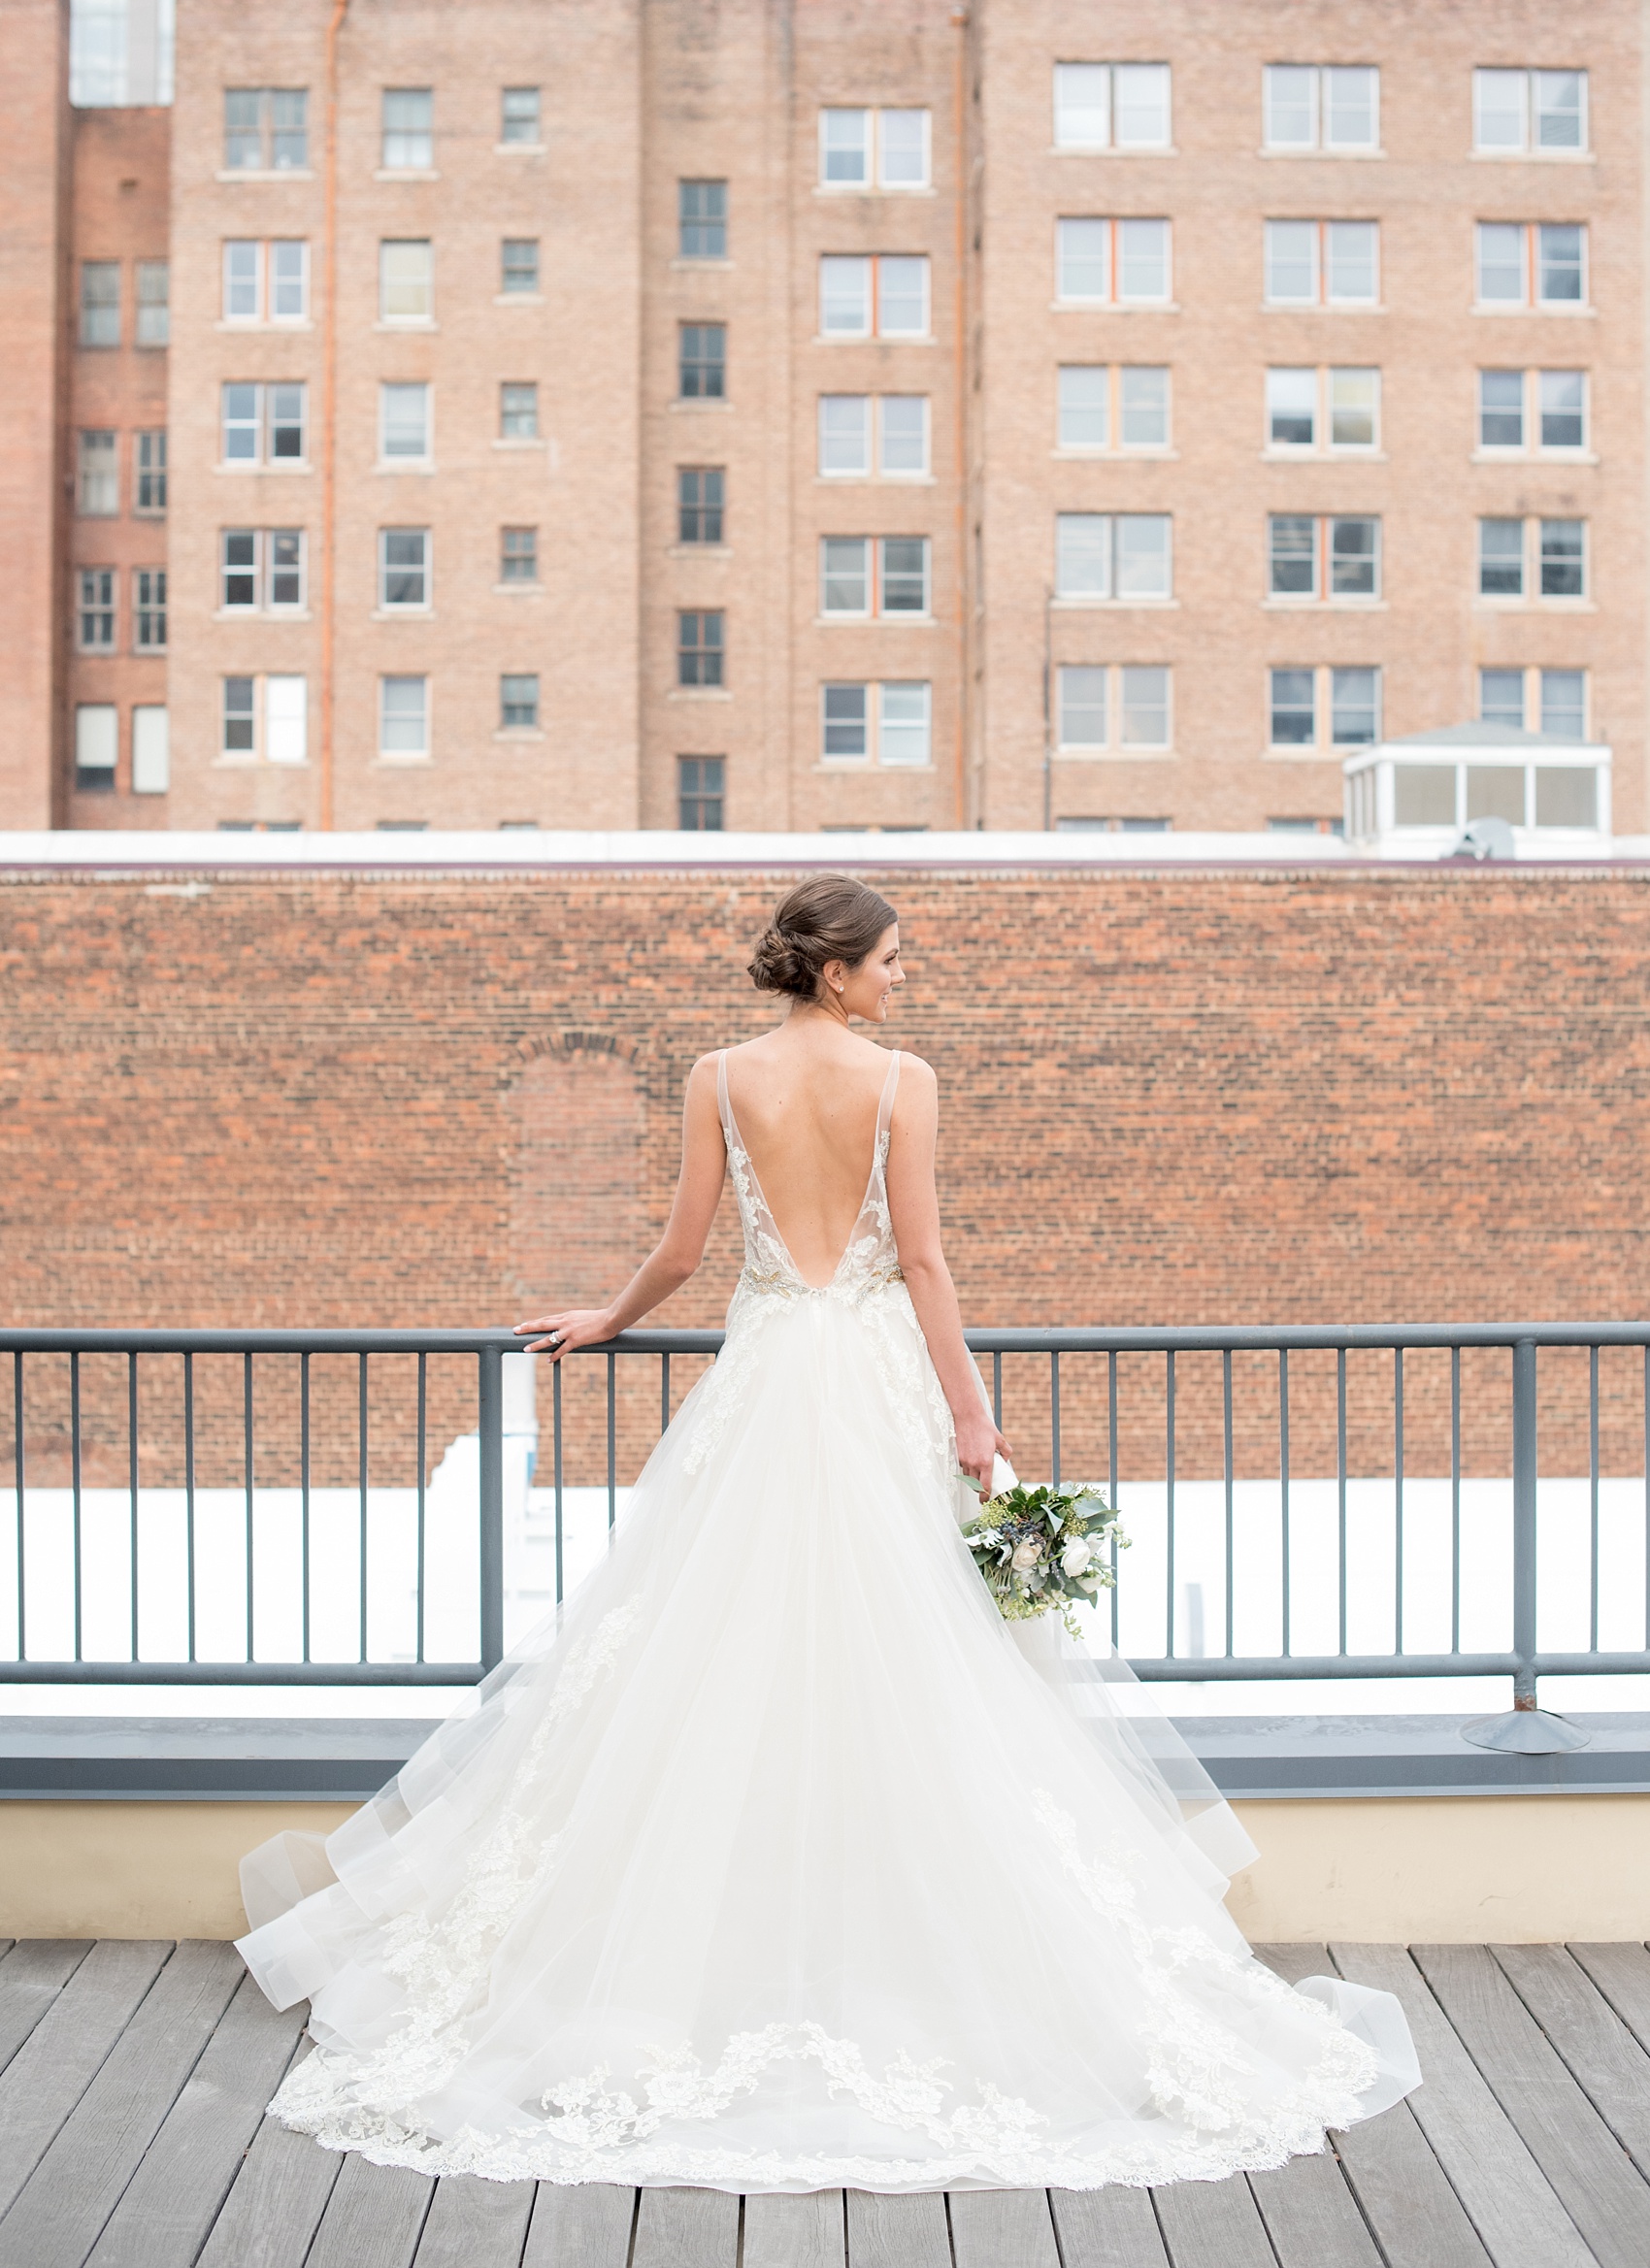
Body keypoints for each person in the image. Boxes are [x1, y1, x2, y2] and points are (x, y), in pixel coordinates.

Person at [236, 872, 1420, 2193]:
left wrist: (605, 1322)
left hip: (759, 1384)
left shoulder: (719, 1073)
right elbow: (921, 1262)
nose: (906, 979)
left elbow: (686, 1246)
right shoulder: (903, 1081)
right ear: (839, 968)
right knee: (913, 1663)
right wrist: (975, 1422)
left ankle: (695, 1950)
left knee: (701, 1653)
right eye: (895, 960)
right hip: (863, 1385)